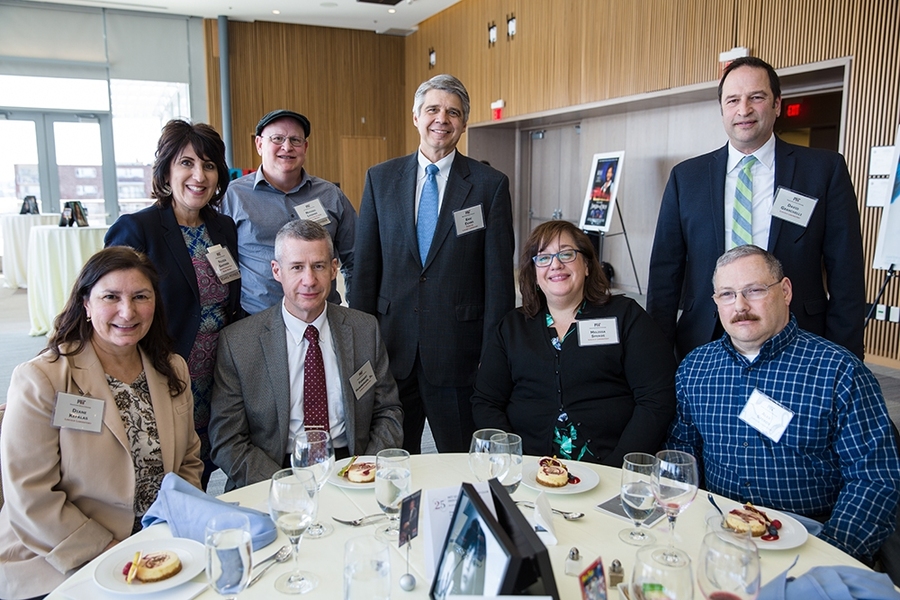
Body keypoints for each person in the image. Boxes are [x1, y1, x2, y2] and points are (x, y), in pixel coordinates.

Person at [666, 244, 900, 564]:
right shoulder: (695, 368)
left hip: (814, 538)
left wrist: (828, 557)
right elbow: (683, 456)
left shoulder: (839, 371)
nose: (741, 305)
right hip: (719, 535)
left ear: (786, 291)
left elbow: (875, 478)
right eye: (727, 294)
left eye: (755, 290)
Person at [0, 247, 202, 599]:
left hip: (155, 551)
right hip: (57, 561)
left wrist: (172, 533)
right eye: (111, 297)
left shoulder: (172, 369)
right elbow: (30, 495)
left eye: (141, 296)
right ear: (86, 304)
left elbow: (188, 461)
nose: (128, 311)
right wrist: (108, 551)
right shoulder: (42, 378)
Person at [647, 56, 865, 361]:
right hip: (705, 336)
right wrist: (654, 355)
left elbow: (847, 271)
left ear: (777, 104)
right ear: (722, 109)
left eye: (756, 97)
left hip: (798, 334)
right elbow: (665, 273)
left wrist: (846, 355)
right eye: (733, 100)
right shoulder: (686, 178)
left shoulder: (823, 171)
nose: (743, 110)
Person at [350, 74, 515, 454]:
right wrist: (359, 347)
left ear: (464, 123)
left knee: (461, 463)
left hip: (459, 354)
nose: (442, 119)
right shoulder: (381, 179)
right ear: (416, 117)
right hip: (392, 351)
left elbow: (498, 282)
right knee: (391, 462)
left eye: (453, 112)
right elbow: (366, 270)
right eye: (433, 109)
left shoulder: (490, 185)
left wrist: (493, 357)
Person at [208, 220, 403, 490]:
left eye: (319, 266)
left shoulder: (364, 329)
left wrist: (364, 468)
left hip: (351, 464)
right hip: (273, 472)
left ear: (334, 268)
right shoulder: (239, 342)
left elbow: (388, 411)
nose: (309, 280)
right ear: (277, 271)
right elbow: (226, 439)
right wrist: (285, 486)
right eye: (297, 267)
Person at [105, 119, 242, 488]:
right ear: (166, 170)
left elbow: (228, 302)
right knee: (165, 475)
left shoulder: (223, 227)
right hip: (164, 374)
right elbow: (110, 307)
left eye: (209, 165)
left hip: (216, 378)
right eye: (187, 163)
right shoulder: (137, 229)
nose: (199, 175)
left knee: (205, 463)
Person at [471, 221, 676, 465]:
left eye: (566, 254)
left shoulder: (626, 317)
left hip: (609, 467)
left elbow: (656, 400)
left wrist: (620, 466)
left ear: (587, 265)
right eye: (544, 258)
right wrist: (513, 458)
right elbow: (487, 401)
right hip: (530, 469)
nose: (556, 264)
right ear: (534, 274)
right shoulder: (512, 327)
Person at [220, 109, 356, 313]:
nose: (287, 147)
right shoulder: (233, 196)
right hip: (256, 321)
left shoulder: (331, 196)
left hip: (323, 320)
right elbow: (220, 263)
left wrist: (358, 314)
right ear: (259, 144)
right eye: (277, 138)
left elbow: (356, 260)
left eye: (295, 140)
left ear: (305, 147)